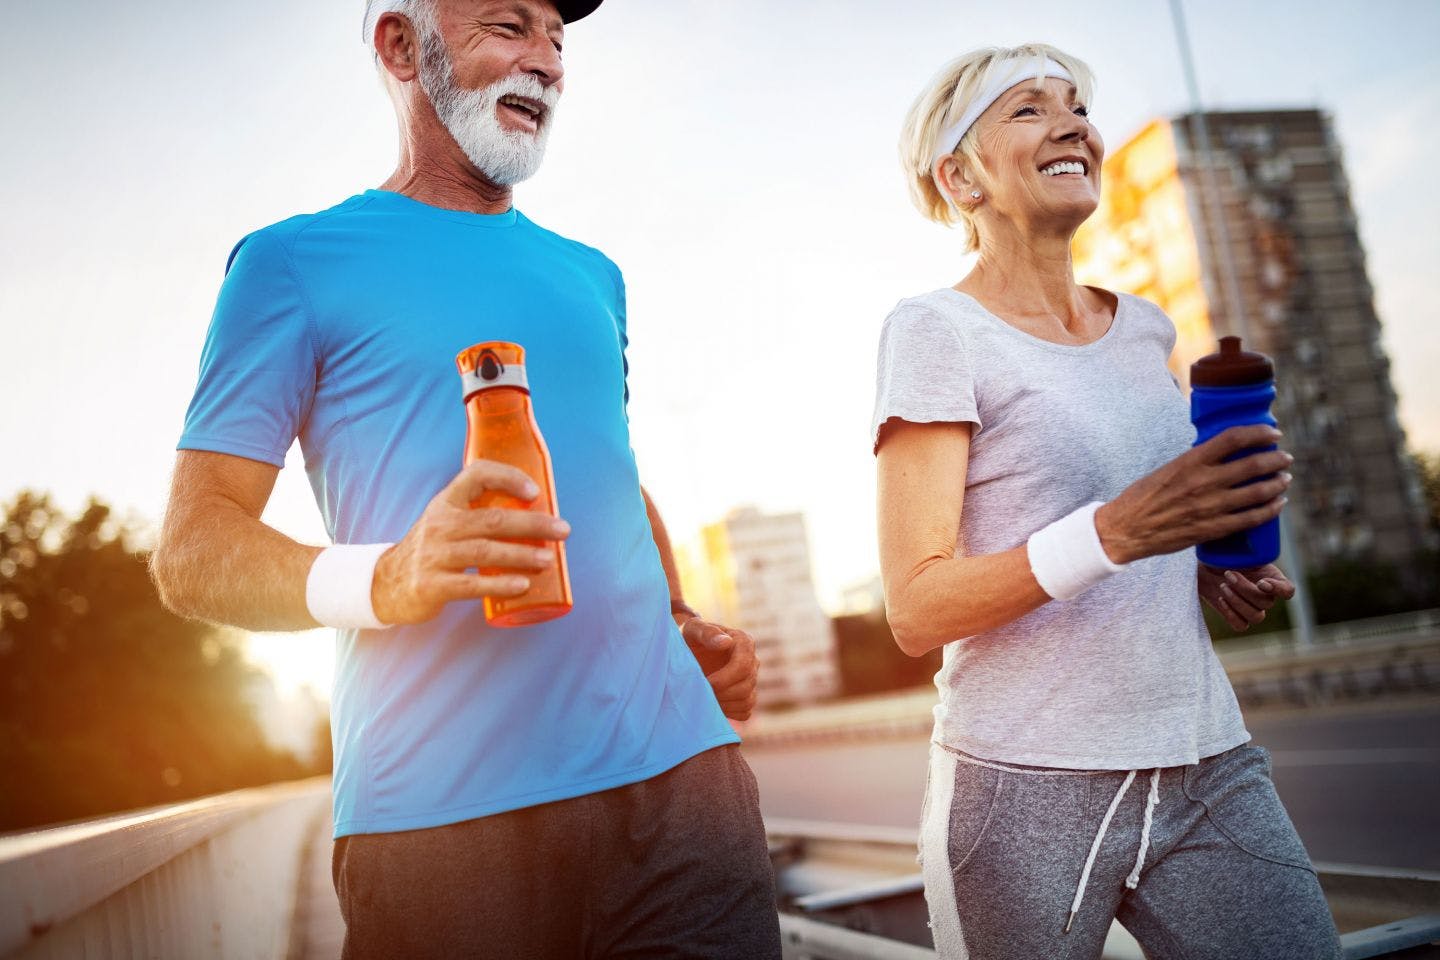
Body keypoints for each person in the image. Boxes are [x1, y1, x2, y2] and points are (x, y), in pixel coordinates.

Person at [150, 1, 781, 957]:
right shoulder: (290, 265)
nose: (546, 63)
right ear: (402, 46)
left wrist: (684, 620)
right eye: (508, 26)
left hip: (684, 790)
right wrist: (390, 577)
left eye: (557, 40)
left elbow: (606, 474)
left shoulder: (591, 274)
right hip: (441, 825)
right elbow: (193, 552)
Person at [872, 43, 1342, 960]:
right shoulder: (935, 330)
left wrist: (1199, 568)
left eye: (1078, 105)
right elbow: (917, 607)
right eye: (1029, 109)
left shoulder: (1146, 330)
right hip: (1023, 784)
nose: (1073, 123)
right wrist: (1124, 531)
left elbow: (1130, 533)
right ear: (960, 177)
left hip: (1207, 759)